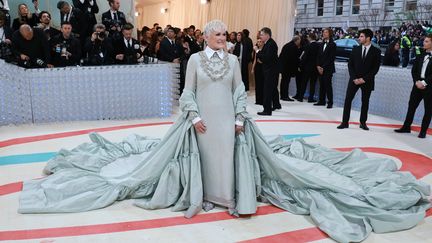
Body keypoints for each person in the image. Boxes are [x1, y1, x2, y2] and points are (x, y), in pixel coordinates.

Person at [18, 20, 431, 243]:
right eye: (217, 35)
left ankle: (228, 196)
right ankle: (204, 195)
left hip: (229, 122)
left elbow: (239, 92)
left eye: (223, 36)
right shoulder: (196, 59)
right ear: (207, 37)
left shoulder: (233, 62)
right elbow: (188, 92)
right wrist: (193, 115)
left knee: (229, 157)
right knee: (201, 158)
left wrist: (239, 117)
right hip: (200, 122)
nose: (222, 39)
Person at [337, 29, 381, 130]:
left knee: (365, 102)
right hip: (354, 80)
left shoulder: (376, 51)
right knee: (348, 100)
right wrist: (354, 78)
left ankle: (363, 122)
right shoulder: (355, 49)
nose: (359, 38)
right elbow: (350, 65)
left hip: (367, 81)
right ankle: (344, 122)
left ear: (368, 38)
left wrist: (364, 79)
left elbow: (375, 69)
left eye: (361, 36)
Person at [394, 33, 432, 138]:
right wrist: (416, 82)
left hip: (429, 87)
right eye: (424, 41)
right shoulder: (420, 55)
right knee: (411, 106)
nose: (424, 42)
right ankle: (406, 127)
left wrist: (424, 83)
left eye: (427, 41)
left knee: (428, 110)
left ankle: (423, 131)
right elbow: (414, 70)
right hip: (417, 85)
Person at [255, 27, 281, 115]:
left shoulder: (271, 44)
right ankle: (277, 104)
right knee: (273, 88)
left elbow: (266, 57)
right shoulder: (268, 43)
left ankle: (267, 110)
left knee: (267, 90)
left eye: (262, 35)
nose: (260, 36)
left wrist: (257, 51)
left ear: (267, 35)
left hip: (271, 71)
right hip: (270, 70)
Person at [314, 28, 336, 108]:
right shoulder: (321, 44)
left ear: (330, 34)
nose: (324, 33)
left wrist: (323, 67)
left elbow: (331, 58)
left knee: (328, 86)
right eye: (323, 32)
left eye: (326, 32)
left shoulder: (333, 44)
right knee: (321, 85)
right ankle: (321, 101)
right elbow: (318, 56)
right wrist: (318, 66)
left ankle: (330, 102)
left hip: (328, 69)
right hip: (320, 68)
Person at [278, 35, 301, 102]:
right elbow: (294, 59)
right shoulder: (294, 47)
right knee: (286, 82)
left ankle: (283, 95)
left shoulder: (286, 45)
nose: (300, 42)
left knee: (283, 81)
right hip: (288, 68)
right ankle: (285, 96)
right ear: (297, 40)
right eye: (299, 40)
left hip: (284, 67)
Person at [299, 32, 320, 102]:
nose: (307, 38)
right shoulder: (318, 46)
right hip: (315, 68)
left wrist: (301, 66)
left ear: (310, 38)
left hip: (307, 68)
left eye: (308, 37)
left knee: (304, 83)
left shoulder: (308, 46)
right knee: (313, 84)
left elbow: (304, 57)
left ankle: (300, 97)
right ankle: (311, 98)